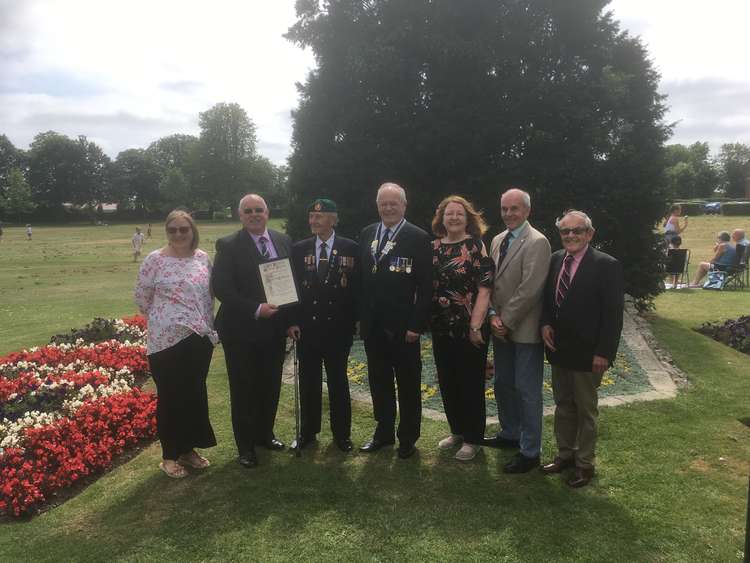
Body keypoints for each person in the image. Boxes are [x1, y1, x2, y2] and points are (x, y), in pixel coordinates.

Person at [540, 210, 624, 488]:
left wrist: (604, 352)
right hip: (559, 350)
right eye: (565, 231)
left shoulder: (606, 265)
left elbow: (613, 314)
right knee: (563, 406)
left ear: (589, 234)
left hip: (589, 354)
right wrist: (545, 324)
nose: (571, 236)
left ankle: (585, 464)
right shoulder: (554, 260)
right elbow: (549, 301)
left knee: (586, 411)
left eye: (577, 231)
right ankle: (565, 455)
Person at [134, 210, 218, 479]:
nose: (179, 234)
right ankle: (170, 456)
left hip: (198, 340)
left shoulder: (203, 258)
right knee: (171, 398)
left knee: (194, 396)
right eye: (173, 230)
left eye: (184, 229)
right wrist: (167, 319)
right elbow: (142, 298)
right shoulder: (154, 260)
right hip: (165, 343)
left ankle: (188, 450)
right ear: (167, 232)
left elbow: (209, 296)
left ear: (193, 230)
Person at [211, 194, 292, 469]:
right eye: (248, 211)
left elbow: (289, 286)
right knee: (244, 389)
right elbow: (222, 289)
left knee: (270, 385)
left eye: (259, 210)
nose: (254, 214)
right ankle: (245, 447)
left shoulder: (282, 240)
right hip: (241, 331)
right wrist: (256, 309)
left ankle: (265, 435)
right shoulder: (229, 245)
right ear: (240, 215)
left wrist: (291, 321)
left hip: (274, 330)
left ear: (267, 213)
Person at [358, 182, 432, 459]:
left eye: (394, 203)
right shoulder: (367, 234)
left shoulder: (418, 236)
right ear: (378, 206)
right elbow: (362, 281)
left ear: (404, 205)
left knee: (408, 383)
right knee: (379, 381)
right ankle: (384, 431)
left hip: (403, 329)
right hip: (374, 327)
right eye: (383, 204)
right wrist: (361, 320)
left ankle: (408, 437)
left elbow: (425, 288)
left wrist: (416, 325)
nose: (388, 208)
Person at [484, 188, 551, 474]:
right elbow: (489, 283)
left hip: (523, 330)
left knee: (526, 391)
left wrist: (505, 320)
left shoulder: (537, 242)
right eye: (504, 209)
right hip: (500, 328)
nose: (509, 214)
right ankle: (509, 433)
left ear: (527, 211)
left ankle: (530, 451)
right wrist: (490, 315)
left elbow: (530, 289)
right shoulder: (498, 240)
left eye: (515, 209)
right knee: (502, 384)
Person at [286, 198, 360, 452]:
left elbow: (357, 290)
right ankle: (308, 431)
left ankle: (342, 435)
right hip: (307, 329)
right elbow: (292, 288)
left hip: (338, 330)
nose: (313, 221)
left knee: (339, 382)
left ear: (333, 219)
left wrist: (355, 322)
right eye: (311, 216)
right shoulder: (299, 249)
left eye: (320, 216)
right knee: (309, 382)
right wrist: (292, 321)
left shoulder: (350, 248)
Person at [429, 196, 495, 461]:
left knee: (470, 382)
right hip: (441, 327)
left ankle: (473, 438)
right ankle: (456, 431)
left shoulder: (476, 246)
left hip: (471, 327)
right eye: (449, 214)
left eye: (459, 214)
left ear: (468, 218)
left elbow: (485, 288)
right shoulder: (432, 247)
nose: (453, 218)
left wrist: (476, 325)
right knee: (448, 380)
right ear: (441, 218)